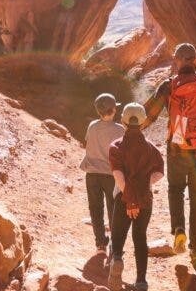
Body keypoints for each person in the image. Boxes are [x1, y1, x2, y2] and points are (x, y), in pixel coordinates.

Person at [141, 42, 196, 267]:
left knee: (175, 189)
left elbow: (149, 114)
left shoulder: (169, 85)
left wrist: (129, 129)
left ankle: (179, 229)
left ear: (177, 60)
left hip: (176, 149)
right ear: (195, 60)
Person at [107, 102, 164, 291]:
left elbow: (119, 178)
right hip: (145, 200)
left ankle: (117, 258)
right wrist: (143, 187)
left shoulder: (116, 147)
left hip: (123, 199)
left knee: (118, 234)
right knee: (140, 237)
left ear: (123, 121)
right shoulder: (151, 149)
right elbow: (160, 172)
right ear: (143, 123)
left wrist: (130, 199)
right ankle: (141, 281)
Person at [80, 93, 125, 253]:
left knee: (95, 208)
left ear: (98, 111)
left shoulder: (92, 126)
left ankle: (100, 243)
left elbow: (88, 143)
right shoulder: (120, 130)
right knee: (113, 208)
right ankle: (114, 244)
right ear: (113, 110)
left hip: (91, 173)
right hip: (110, 175)